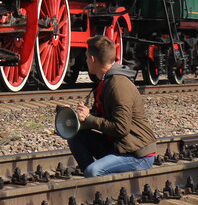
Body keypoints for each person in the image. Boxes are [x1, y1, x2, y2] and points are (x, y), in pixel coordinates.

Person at [67, 34, 157, 177]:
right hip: (121, 146)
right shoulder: (106, 81)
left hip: (137, 154)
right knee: (75, 136)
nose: (85, 60)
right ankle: (92, 180)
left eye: (86, 57)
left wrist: (90, 119)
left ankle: (95, 186)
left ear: (92, 59)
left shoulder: (118, 85)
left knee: (93, 171)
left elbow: (121, 128)